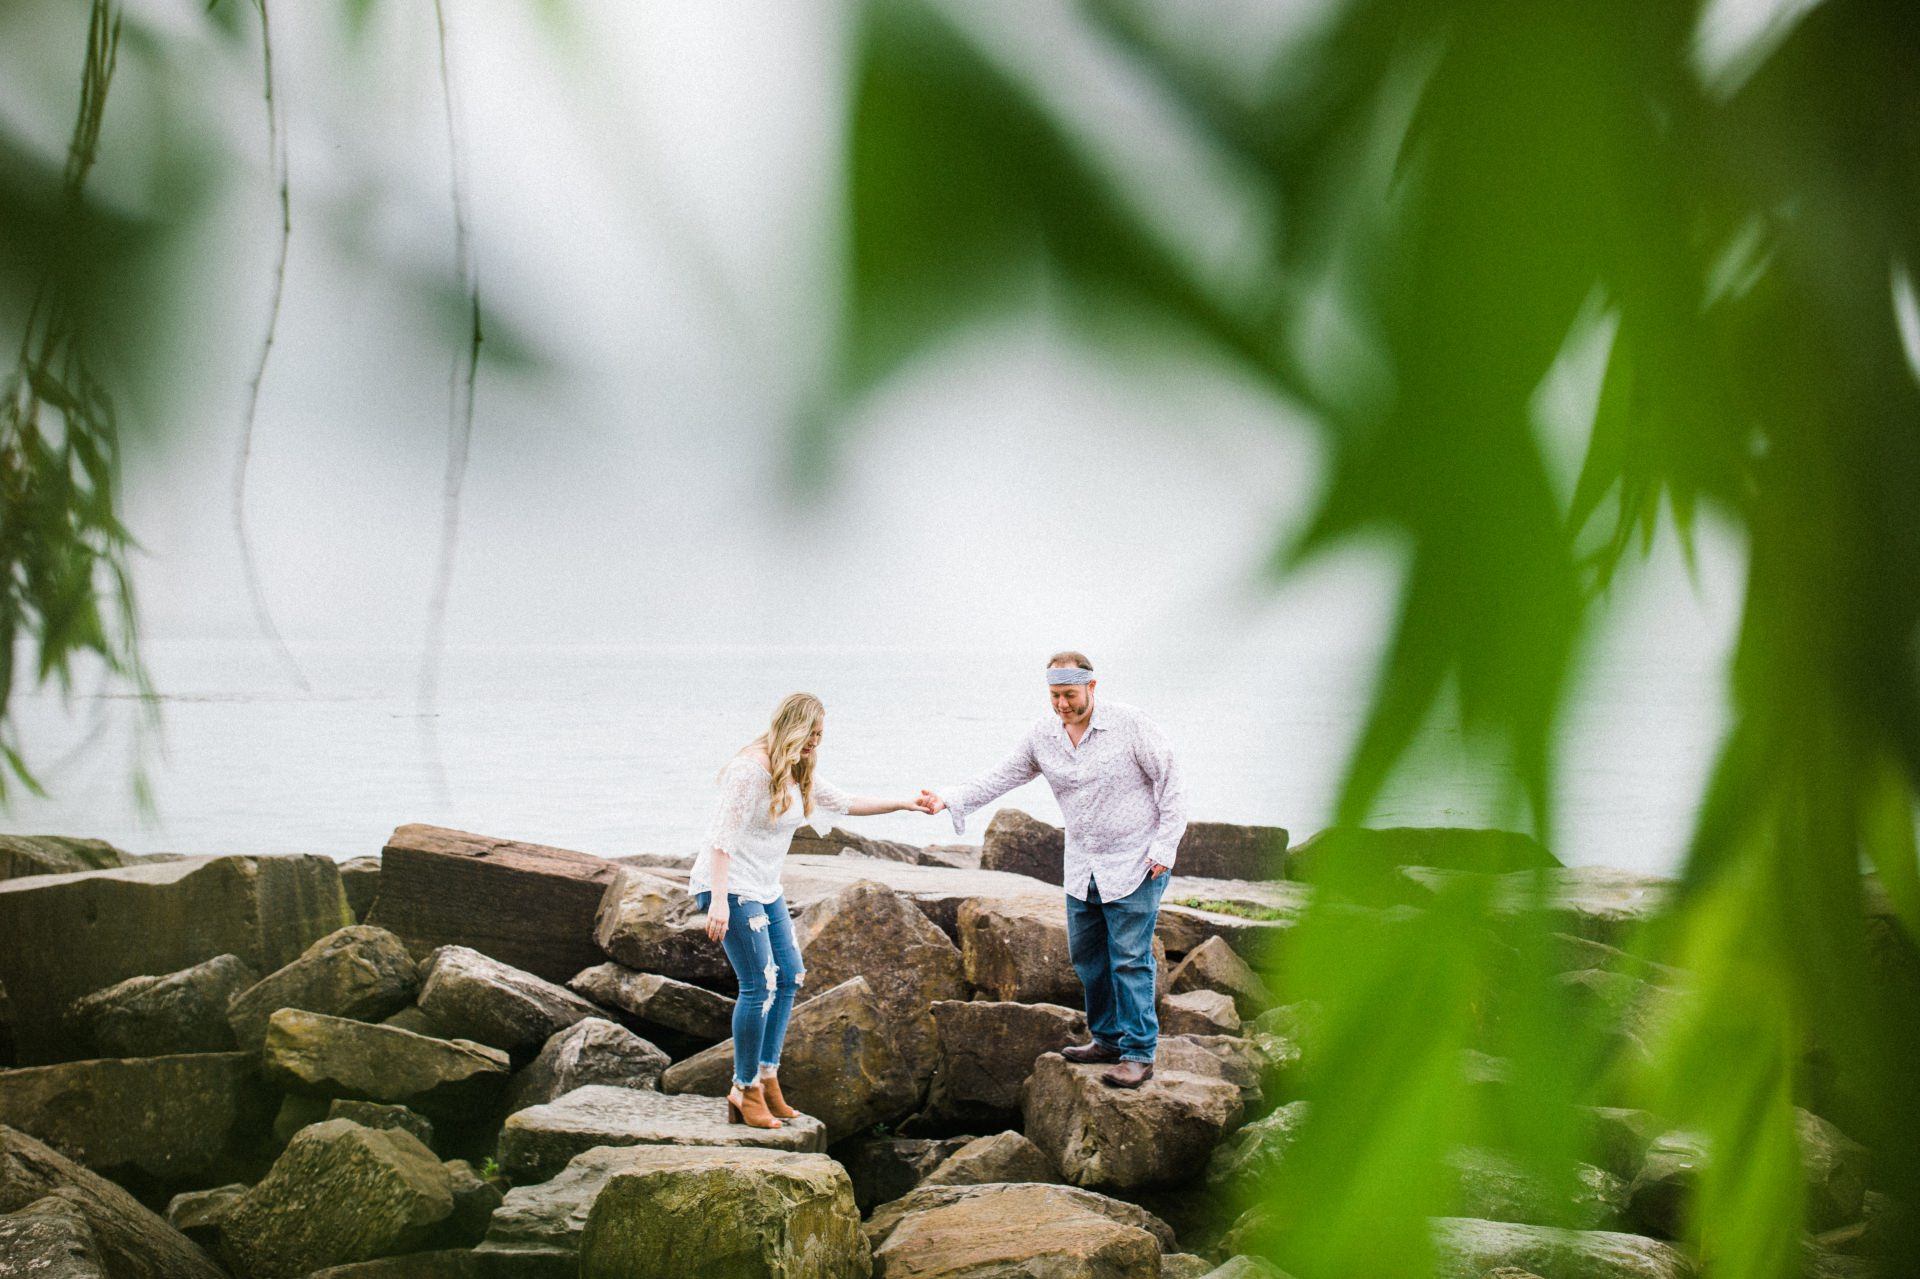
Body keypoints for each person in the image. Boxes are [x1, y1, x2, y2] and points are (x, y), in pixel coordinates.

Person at [921, 651, 1187, 1088]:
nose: (1062, 704)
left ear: (1091, 687)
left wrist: (1164, 847)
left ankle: (1139, 1052)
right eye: (1054, 695)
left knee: (1129, 959)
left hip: (1137, 862)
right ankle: (1106, 1038)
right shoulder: (1043, 736)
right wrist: (950, 798)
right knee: (1087, 959)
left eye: (1069, 694)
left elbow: (1171, 780)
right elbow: (1000, 776)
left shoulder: (1129, 724)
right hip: (1083, 866)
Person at [690, 691, 930, 1129]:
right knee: (757, 985)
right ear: (791, 727)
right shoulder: (750, 769)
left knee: (791, 974)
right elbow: (719, 838)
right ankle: (743, 1088)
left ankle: (768, 1076)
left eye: (820, 736)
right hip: (730, 886)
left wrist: (902, 803)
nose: (815, 743)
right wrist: (720, 902)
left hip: (764, 887)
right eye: (810, 734)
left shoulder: (798, 767)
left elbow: (846, 802)